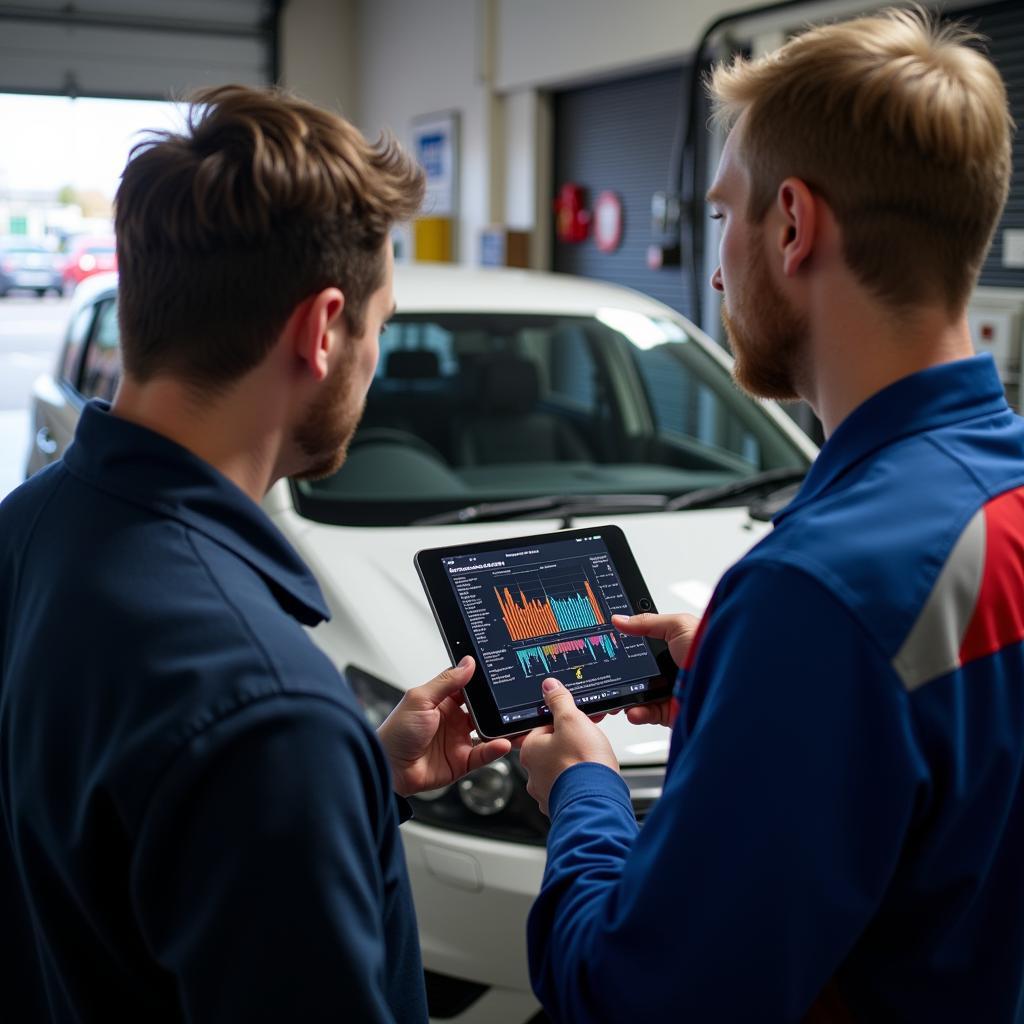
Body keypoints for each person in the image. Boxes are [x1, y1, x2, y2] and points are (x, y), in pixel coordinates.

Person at [519, 8, 1024, 1021]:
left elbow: (638, 996)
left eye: (721, 216)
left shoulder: (816, 597)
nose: (713, 269)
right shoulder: (986, 506)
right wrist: (732, 675)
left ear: (792, 224)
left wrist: (584, 790)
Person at [0, 85, 511, 1022]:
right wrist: (301, 765)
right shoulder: (267, 709)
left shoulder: (28, 527)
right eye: (379, 327)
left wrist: (353, 779)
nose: (374, 358)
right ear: (322, 331)